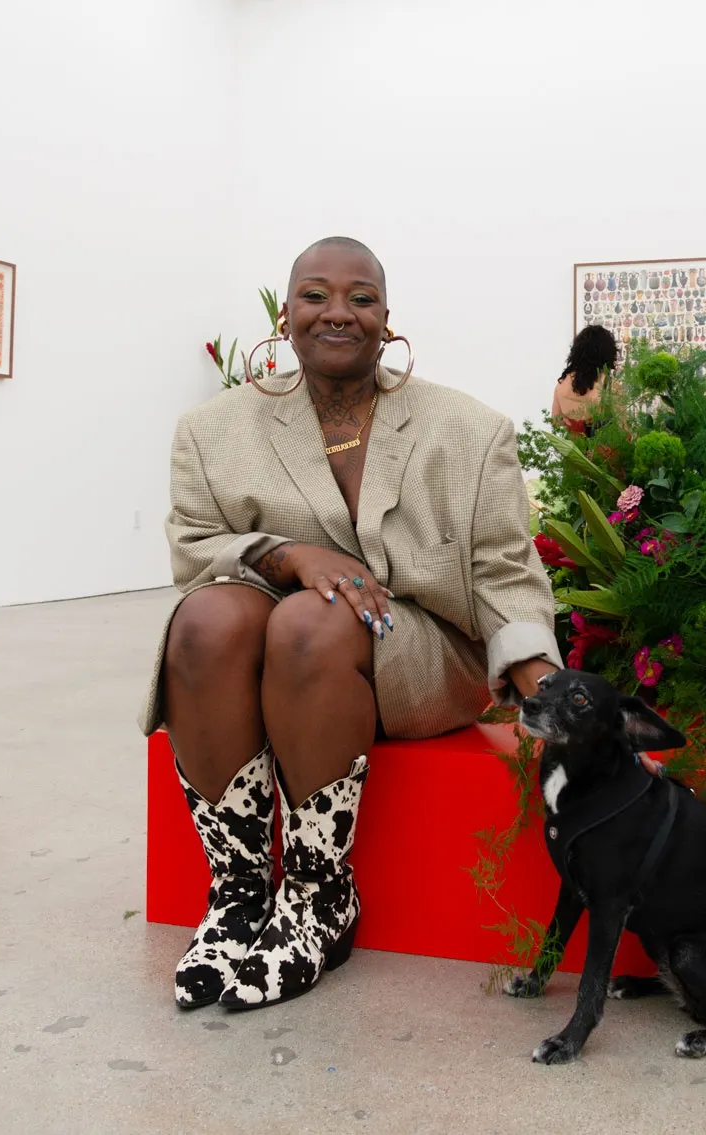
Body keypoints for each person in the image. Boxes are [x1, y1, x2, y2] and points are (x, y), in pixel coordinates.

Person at [141, 237, 560, 1011]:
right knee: (201, 621)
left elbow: (504, 571)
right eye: (316, 295)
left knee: (312, 623)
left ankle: (317, 896)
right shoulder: (213, 429)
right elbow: (195, 551)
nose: (338, 312)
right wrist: (285, 553)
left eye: (360, 298)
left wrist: (552, 703)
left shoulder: (468, 430)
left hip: (423, 653)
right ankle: (237, 893)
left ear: (387, 318)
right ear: (287, 313)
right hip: (280, 624)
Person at [551, 324, 618, 433]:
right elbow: (623, 429)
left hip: (572, 448)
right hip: (601, 449)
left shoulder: (561, 385)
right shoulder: (609, 385)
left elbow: (556, 423)